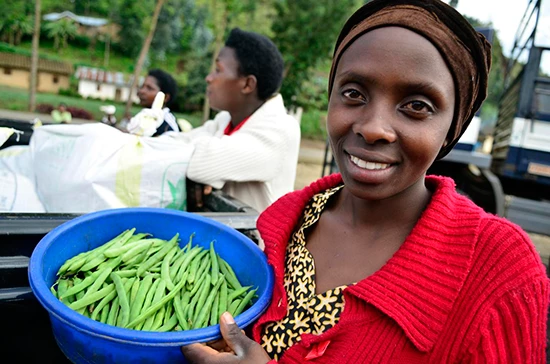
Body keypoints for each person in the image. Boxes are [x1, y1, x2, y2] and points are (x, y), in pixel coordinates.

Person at [181, 1, 549, 363]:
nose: (373, 127)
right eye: (354, 94)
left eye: (417, 105)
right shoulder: (283, 223)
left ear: (453, 125)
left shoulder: (498, 270)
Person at [170, 27, 300, 213]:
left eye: (218, 70)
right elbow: (181, 141)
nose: (209, 78)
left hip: (258, 242)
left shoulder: (281, 128)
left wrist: (205, 175)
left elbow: (201, 165)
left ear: (247, 84)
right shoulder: (225, 120)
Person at [127, 68, 180, 136]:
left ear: (165, 97)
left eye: (149, 88)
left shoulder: (168, 128)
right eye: (142, 86)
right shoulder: (143, 116)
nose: (141, 91)